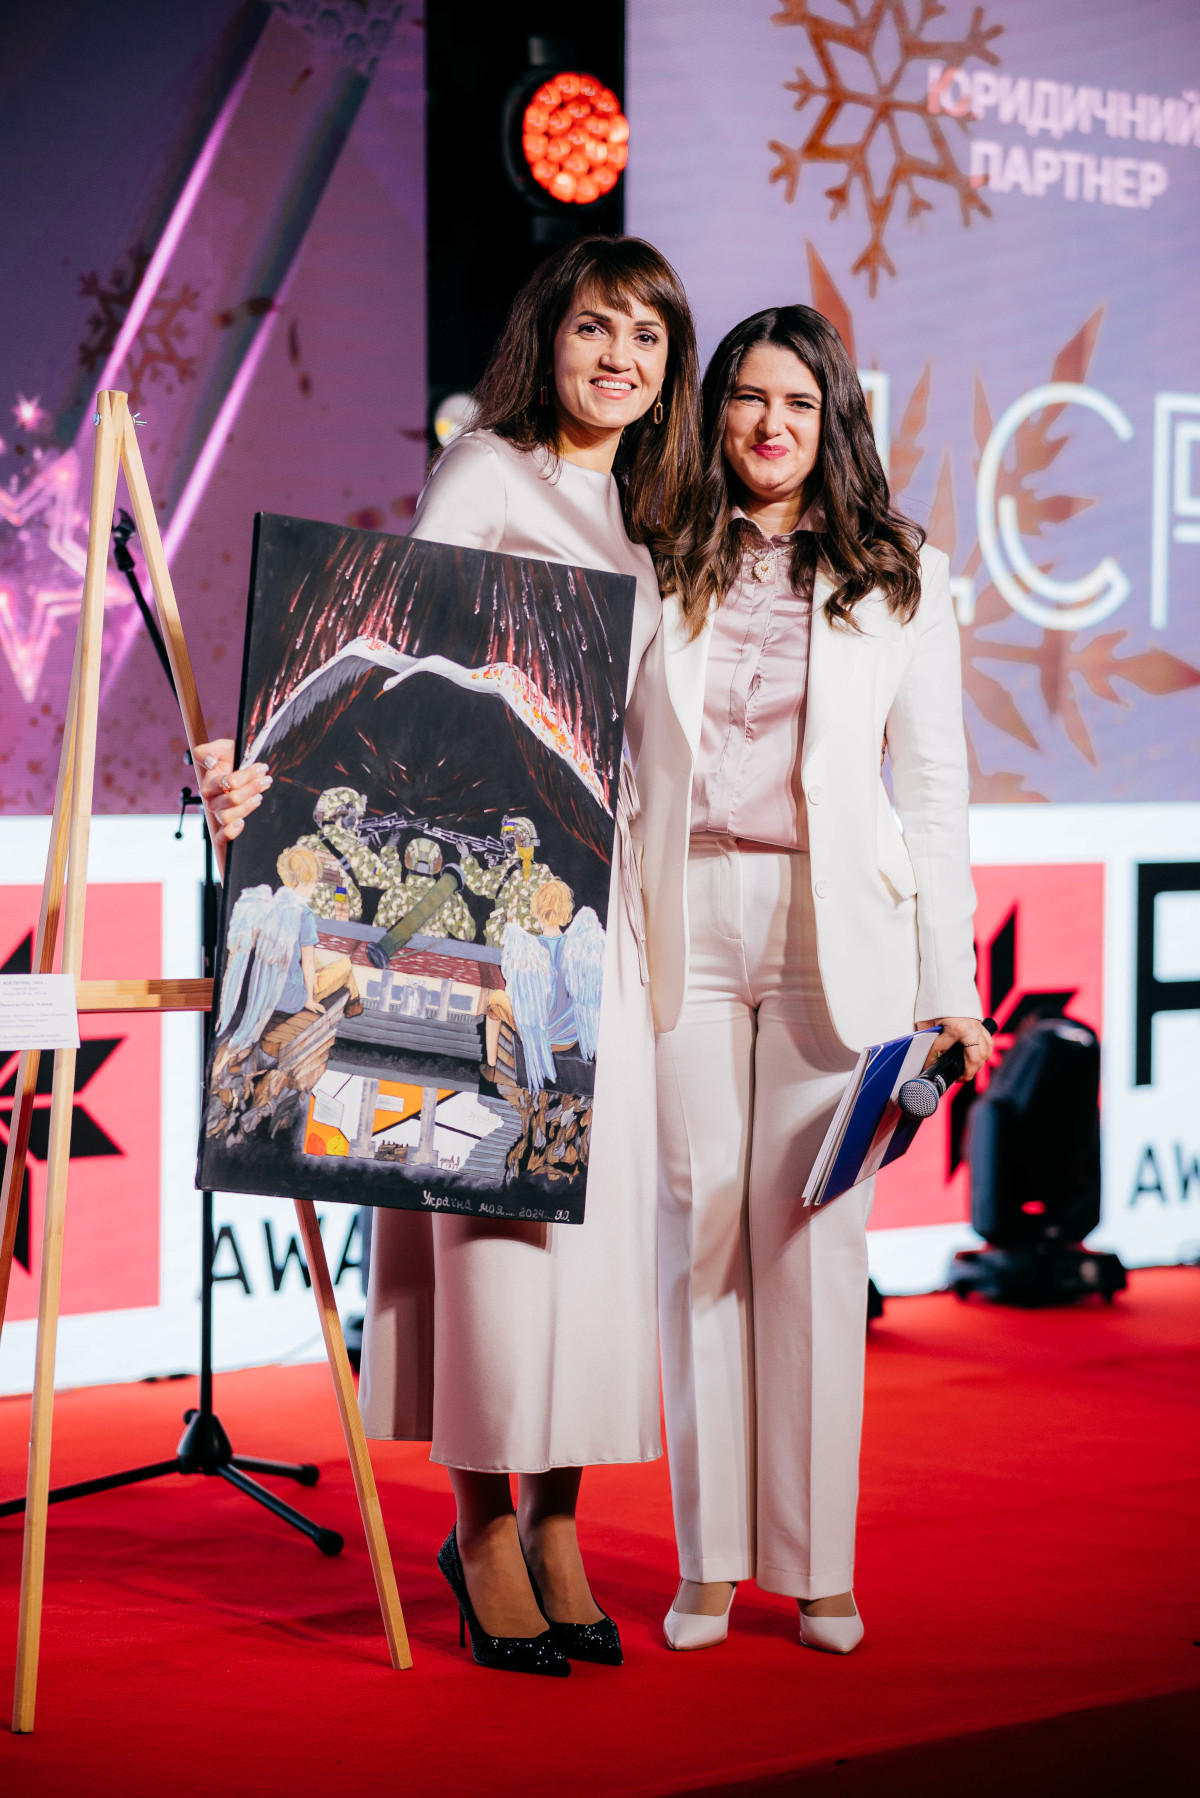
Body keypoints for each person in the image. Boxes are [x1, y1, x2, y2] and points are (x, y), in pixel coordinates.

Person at [193, 234, 701, 1677]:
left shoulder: (654, 523)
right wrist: (264, 769)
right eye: (595, 327)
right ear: (550, 335)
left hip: (607, 928)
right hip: (486, 921)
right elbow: (404, 661)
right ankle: (481, 1531)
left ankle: (558, 1521)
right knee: (490, 1220)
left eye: (648, 337)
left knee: (587, 1243)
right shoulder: (485, 471)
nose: (619, 358)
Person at [641, 305, 993, 1657]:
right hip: (681, 912)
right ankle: (711, 1561)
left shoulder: (904, 573)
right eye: (746, 395)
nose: (769, 422)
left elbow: (936, 791)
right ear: (714, 410)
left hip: (830, 928)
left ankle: (817, 1564)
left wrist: (950, 984)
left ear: (833, 415)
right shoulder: (658, 550)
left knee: (814, 1239)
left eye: (797, 400)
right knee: (700, 1227)